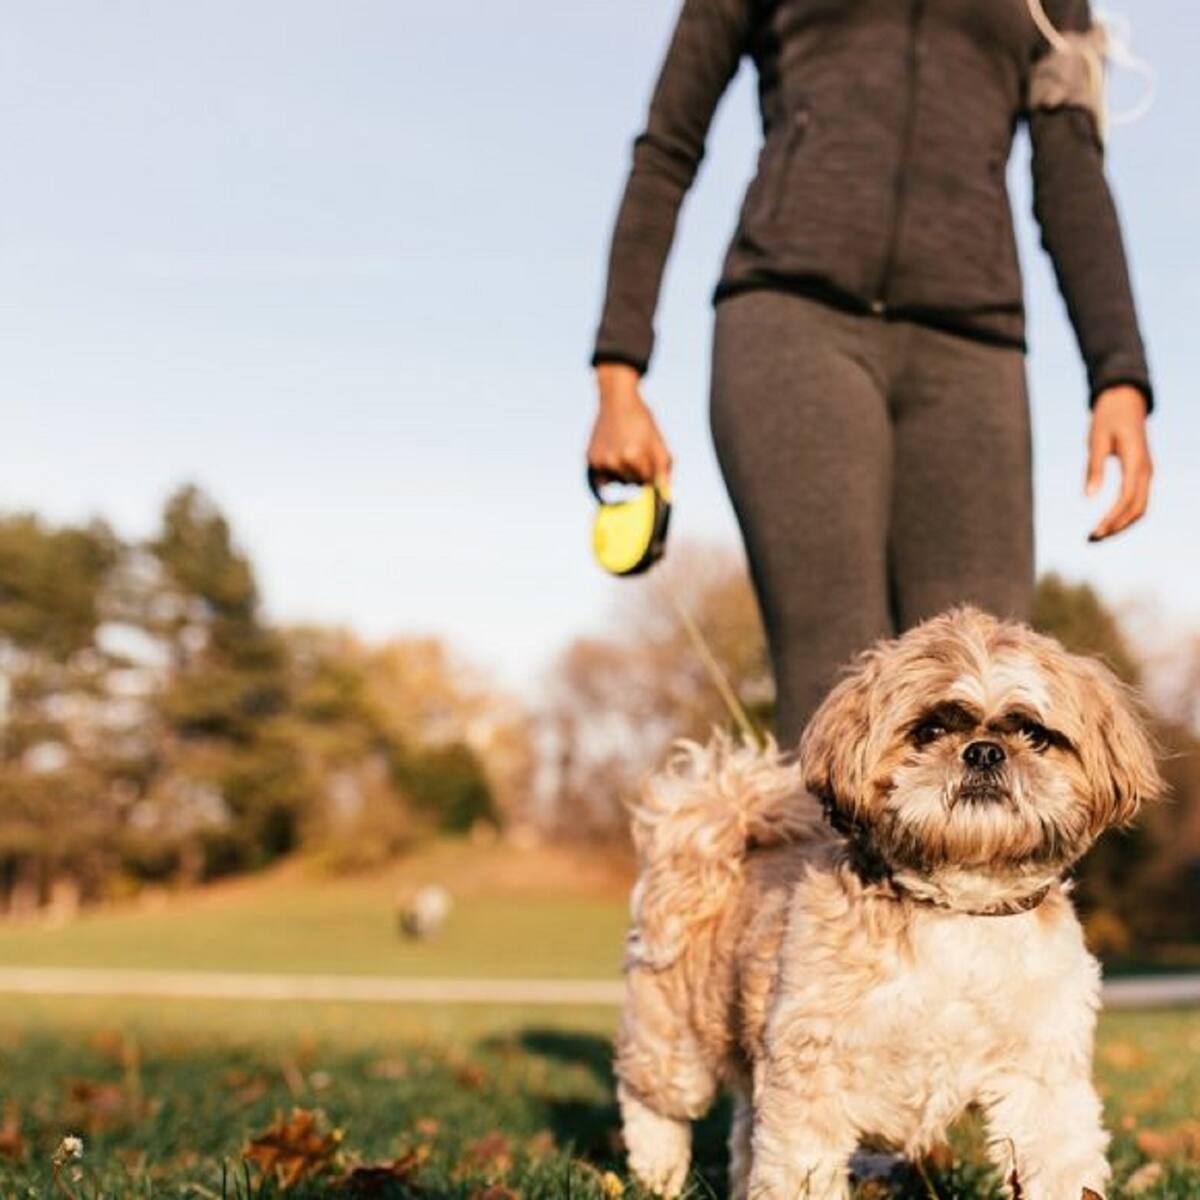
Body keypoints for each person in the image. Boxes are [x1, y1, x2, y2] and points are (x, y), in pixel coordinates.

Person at [586, 0, 1155, 745]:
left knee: (980, 683)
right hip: (792, 323)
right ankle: (823, 864)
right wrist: (619, 373)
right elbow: (667, 144)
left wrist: (1119, 374)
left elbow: (1073, 174)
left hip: (972, 348)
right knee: (838, 684)